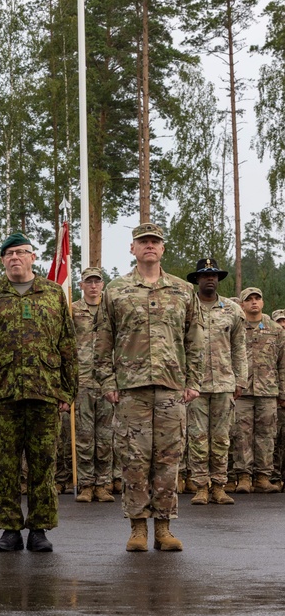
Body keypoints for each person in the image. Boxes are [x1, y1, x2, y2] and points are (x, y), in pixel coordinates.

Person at [0, 233, 77, 553]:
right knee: (6, 466)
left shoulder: (53, 293)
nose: (15, 258)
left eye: (21, 252)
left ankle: (39, 528)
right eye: (9, 253)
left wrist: (67, 390)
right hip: (2, 394)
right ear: (2, 260)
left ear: (32, 257)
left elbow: (67, 345)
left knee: (43, 464)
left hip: (45, 392)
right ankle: (9, 529)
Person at [96, 223, 203, 552]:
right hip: (131, 389)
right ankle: (138, 528)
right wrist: (107, 381)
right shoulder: (116, 290)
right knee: (134, 460)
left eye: (155, 241)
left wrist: (194, 381)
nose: (149, 246)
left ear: (163, 248)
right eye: (143, 241)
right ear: (133, 248)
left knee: (169, 460)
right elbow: (103, 341)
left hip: (171, 388)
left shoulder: (183, 290)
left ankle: (164, 529)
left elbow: (195, 340)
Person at [185, 259, 246, 505]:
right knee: (197, 437)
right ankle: (201, 486)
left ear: (218, 279)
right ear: (197, 279)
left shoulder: (232, 310)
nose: (210, 279)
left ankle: (219, 486)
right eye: (204, 275)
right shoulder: (187, 307)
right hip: (195, 385)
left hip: (223, 383)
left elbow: (239, 347)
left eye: (214, 275)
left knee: (221, 438)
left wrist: (240, 380)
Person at [232, 288, 285, 494]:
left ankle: (263, 477)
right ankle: (243, 477)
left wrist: (283, 393)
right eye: (249, 300)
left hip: (268, 391)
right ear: (242, 305)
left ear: (262, 303)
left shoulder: (275, 330)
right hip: (242, 391)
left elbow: (282, 364)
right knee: (241, 435)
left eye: (257, 299)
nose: (254, 302)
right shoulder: (236, 327)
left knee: (267, 435)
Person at [72, 267, 115, 503]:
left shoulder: (111, 310)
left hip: (107, 381)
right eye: (88, 282)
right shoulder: (73, 310)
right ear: (81, 285)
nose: (93, 286)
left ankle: (103, 483)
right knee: (85, 436)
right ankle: (86, 484)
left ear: (102, 284)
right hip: (83, 380)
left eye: (97, 282)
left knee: (106, 437)